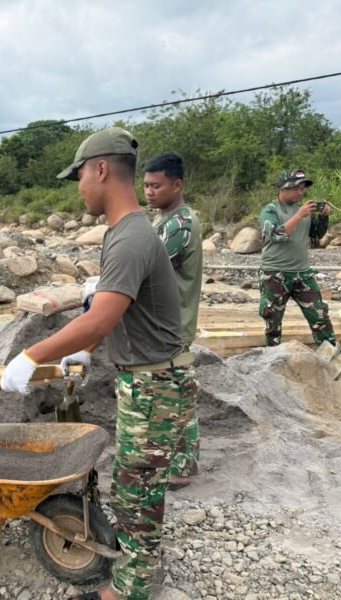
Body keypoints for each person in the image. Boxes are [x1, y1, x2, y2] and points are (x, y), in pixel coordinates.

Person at [0, 127, 196, 600]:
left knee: (136, 493)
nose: (80, 188)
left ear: (101, 169)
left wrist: (31, 356)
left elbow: (101, 318)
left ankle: (130, 590)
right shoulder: (125, 232)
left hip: (156, 386)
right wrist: (84, 345)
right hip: (150, 380)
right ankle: (138, 568)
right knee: (136, 487)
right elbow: (110, 310)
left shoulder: (130, 237)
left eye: (80, 177)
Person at [144, 152, 202, 490]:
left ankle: (179, 468)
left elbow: (149, 271)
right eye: (147, 185)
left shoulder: (179, 225)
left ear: (177, 185)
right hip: (167, 323)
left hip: (171, 326)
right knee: (172, 395)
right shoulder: (165, 219)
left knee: (175, 397)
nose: (149, 192)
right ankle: (176, 462)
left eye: (157, 185)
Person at [258, 169, 335, 347]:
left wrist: (324, 217)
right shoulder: (270, 210)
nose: (300, 192)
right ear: (283, 189)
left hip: (302, 273)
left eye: (302, 189)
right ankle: (272, 357)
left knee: (320, 316)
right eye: (295, 188)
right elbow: (276, 235)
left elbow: (316, 235)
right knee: (273, 321)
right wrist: (299, 215)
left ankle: (330, 356)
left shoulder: (303, 210)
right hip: (275, 274)